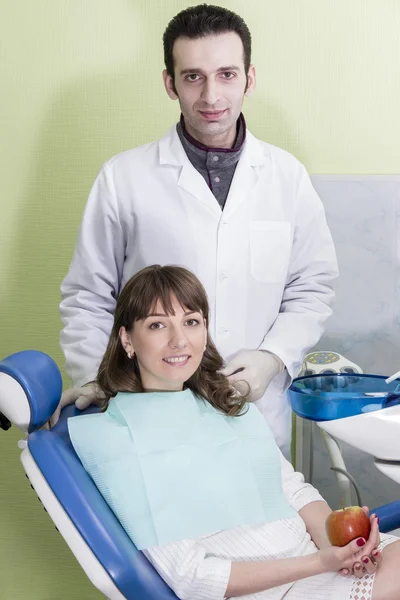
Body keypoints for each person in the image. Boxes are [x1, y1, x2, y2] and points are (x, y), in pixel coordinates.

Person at [55, 4, 339, 455]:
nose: (211, 95)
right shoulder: (123, 178)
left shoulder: (287, 176)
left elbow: (312, 286)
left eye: (226, 74)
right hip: (149, 414)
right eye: (193, 76)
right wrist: (99, 379)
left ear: (249, 78)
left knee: (263, 522)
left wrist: (273, 358)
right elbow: (88, 296)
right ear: (170, 83)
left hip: (256, 416)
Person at [68, 264, 400, 600]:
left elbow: (292, 490)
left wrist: (346, 551)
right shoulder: (122, 443)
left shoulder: (222, 405)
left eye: (191, 322)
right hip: (272, 589)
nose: (179, 340)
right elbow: (193, 578)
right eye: (157, 325)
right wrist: (319, 563)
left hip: (314, 558)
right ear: (127, 338)